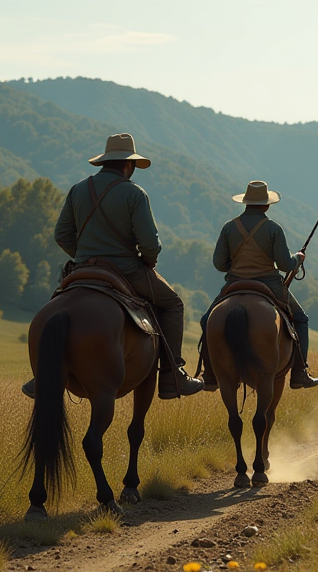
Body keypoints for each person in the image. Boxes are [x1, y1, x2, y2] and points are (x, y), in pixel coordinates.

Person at [21, 133, 204, 400]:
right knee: (174, 303)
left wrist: (83, 255)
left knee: (57, 303)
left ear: (105, 162)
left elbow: (61, 234)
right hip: (126, 269)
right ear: (128, 165)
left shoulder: (77, 189)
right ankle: (172, 376)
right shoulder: (134, 193)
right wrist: (147, 262)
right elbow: (151, 243)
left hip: (82, 268)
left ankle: (43, 376)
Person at [206, 180, 318, 389]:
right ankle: (299, 372)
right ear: (266, 205)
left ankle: (209, 373)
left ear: (246, 203)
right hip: (270, 284)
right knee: (301, 319)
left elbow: (219, 264)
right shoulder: (273, 228)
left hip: (234, 284)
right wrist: (298, 258)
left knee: (207, 320)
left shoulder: (229, 227)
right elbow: (286, 264)